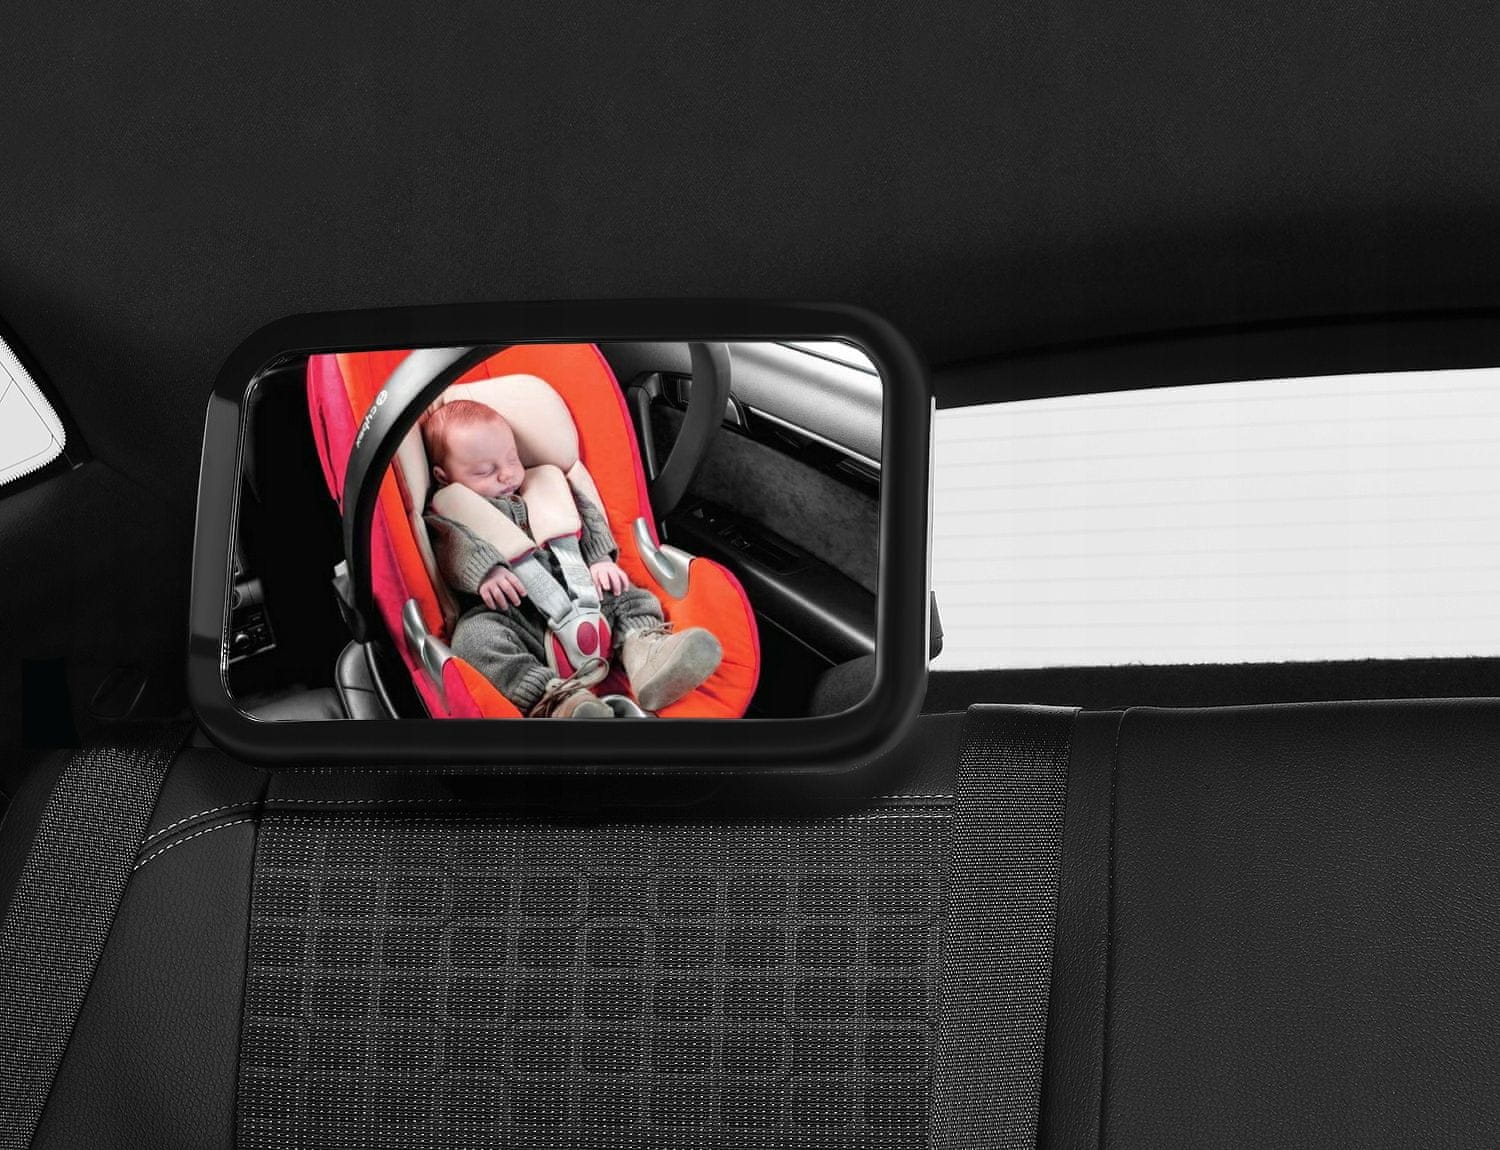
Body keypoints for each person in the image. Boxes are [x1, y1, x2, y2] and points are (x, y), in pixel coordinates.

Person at [421, 399, 722, 718]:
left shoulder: (547, 487)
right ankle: (554, 699)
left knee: (629, 595)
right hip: (518, 616)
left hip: (586, 595)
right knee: (474, 640)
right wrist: (486, 572)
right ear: (444, 476)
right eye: (485, 471)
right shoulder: (450, 511)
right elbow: (452, 547)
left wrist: (600, 560)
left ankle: (646, 654)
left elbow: (586, 518)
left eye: (512, 458)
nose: (507, 474)